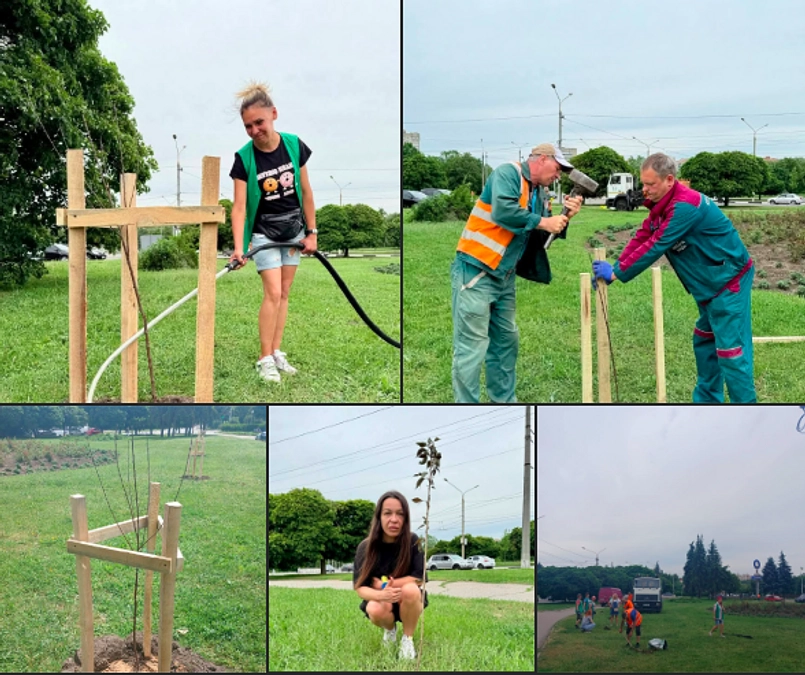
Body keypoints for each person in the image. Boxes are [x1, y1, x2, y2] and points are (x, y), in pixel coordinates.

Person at [591, 153, 755, 403]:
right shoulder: (662, 205)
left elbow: (657, 244)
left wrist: (617, 273)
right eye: (643, 183)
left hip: (728, 281)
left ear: (669, 180)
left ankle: (745, 412)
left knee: (731, 352)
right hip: (709, 283)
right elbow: (643, 235)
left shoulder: (683, 207)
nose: (644, 190)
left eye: (650, 184)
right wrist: (616, 266)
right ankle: (708, 404)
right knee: (705, 340)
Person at [451, 143, 583, 403]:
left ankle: (503, 401)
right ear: (542, 159)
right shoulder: (507, 173)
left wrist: (565, 217)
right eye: (557, 168)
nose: (558, 176)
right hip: (476, 270)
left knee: (505, 343)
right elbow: (503, 211)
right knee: (472, 346)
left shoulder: (540, 194)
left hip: (504, 276)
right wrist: (544, 221)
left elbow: (541, 236)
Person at [229, 81, 318, 383]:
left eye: (259, 122)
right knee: (273, 293)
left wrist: (312, 232)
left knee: (285, 294)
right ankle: (264, 357)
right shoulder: (244, 158)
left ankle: (277, 351)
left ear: (274, 115)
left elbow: (306, 192)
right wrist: (240, 246)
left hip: (293, 231)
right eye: (248, 126)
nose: (254, 130)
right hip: (264, 234)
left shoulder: (294, 145)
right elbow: (239, 207)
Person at [352, 491, 428, 660]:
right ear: (379, 516)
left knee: (410, 589)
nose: (394, 519)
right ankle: (390, 631)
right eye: (388, 513)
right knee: (374, 608)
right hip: (382, 601)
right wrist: (381, 594)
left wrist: (383, 585)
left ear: (406, 518)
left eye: (400, 514)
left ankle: (407, 639)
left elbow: (419, 578)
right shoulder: (365, 547)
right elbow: (360, 588)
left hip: (408, 600)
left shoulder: (413, 541)